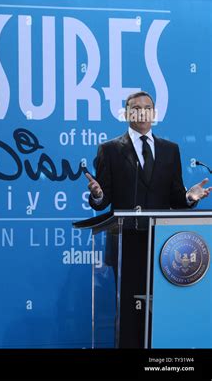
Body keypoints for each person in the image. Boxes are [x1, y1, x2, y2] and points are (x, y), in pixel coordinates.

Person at [85, 91, 211, 348]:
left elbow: (176, 197)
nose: (142, 112)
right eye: (136, 108)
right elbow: (104, 198)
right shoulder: (109, 150)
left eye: (147, 107)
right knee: (131, 310)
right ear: (127, 113)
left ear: (154, 113)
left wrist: (189, 196)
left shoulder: (170, 149)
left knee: (161, 309)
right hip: (126, 241)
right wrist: (97, 195)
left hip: (163, 246)